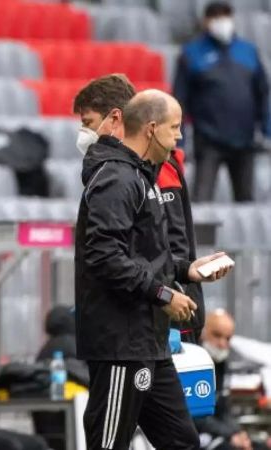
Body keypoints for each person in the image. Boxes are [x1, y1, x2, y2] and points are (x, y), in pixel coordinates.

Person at [75, 89, 234, 450]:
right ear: (150, 128)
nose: (179, 137)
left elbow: (143, 255)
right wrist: (162, 294)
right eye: (174, 127)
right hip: (121, 345)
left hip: (149, 343)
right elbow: (104, 256)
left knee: (183, 443)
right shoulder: (116, 178)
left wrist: (187, 270)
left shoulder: (140, 175)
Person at [74, 74, 206, 344]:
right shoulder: (123, 172)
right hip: (147, 313)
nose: (83, 133)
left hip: (165, 316)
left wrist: (174, 290)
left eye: (88, 123)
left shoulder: (158, 169)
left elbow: (170, 243)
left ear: (115, 119)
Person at [173, 1, 270, 202]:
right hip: (208, 140)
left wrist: (267, 129)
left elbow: (262, 92)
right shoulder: (191, 53)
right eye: (215, 17)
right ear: (206, 21)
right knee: (202, 199)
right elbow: (180, 100)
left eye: (225, 16)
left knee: (246, 201)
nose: (221, 21)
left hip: (245, 139)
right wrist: (179, 139)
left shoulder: (248, 51)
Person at [195, 310, 270, 450]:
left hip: (216, 431)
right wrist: (230, 435)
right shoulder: (192, 363)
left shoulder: (221, 364)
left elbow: (223, 408)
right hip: (195, 435)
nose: (222, 343)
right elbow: (193, 416)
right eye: (217, 335)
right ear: (204, 332)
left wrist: (239, 434)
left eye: (228, 338)